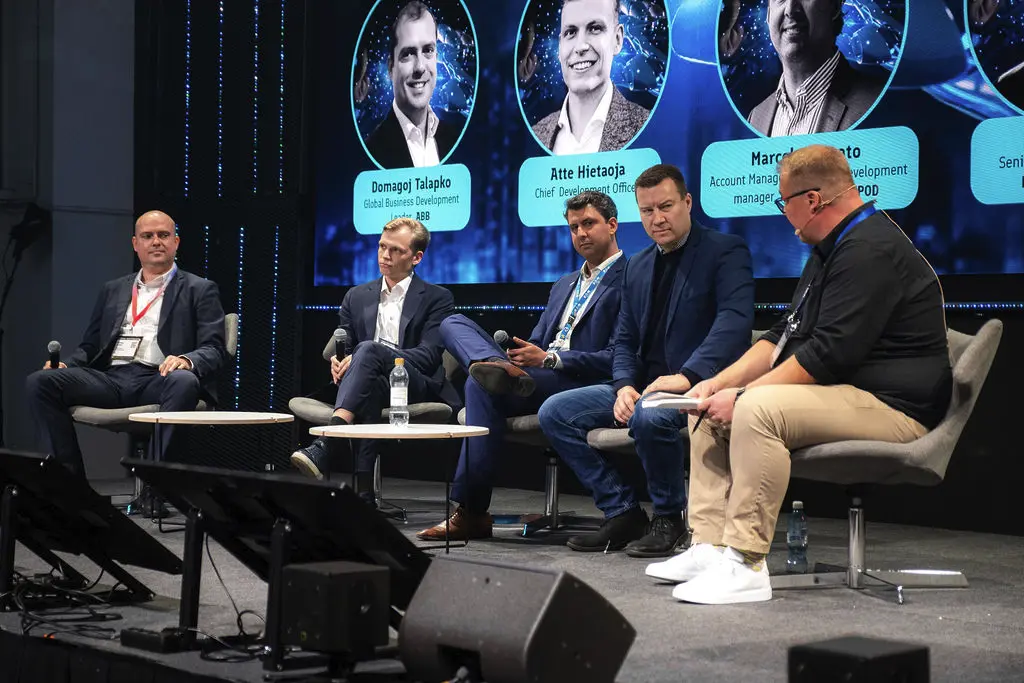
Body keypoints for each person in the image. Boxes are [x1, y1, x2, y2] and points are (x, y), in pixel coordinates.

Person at [653, 144, 952, 605]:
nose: (784, 213)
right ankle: (709, 548)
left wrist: (743, 395)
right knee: (707, 408)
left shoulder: (869, 249)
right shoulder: (829, 248)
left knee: (755, 409)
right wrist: (717, 384)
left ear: (812, 200)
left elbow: (826, 355)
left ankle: (746, 563)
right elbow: (783, 334)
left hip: (895, 408)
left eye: (784, 201)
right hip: (850, 393)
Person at [537, 164, 754, 558]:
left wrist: (687, 376)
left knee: (650, 414)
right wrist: (623, 385)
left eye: (666, 207)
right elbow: (625, 339)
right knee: (555, 412)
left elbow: (733, 325)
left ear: (687, 202)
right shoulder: (637, 265)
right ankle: (622, 510)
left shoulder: (724, 251)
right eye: (647, 210)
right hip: (644, 386)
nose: (657, 218)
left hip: (701, 385)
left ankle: (669, 518)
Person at [417, 191, 627, 541]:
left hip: (579, 380)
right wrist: (520, 354)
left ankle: (471, 512)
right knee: (452, 324)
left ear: (613, 225)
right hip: (535, 375)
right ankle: (495, 365)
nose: (581, 233)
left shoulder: (631, 277)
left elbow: (619, 355)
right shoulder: (564, 284)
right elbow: (538, 339)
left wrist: (550, 359)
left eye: (589, 224)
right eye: (574, 227)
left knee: (478, 384)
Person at [25, 211, 227, 481]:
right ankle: (70, 487)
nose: (156, 241)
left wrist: (186, 360)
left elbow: (214, 348)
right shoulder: (114, 289)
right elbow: (90, 345)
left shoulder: (199, 289)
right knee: (41, 382)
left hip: (159, 378)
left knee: (185, 381)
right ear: (135, 244)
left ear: (176, 242)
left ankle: (154, 484)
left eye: (163, 235)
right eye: (147, 236)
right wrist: (66, 365)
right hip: (112, 379)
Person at [291, 217, 457, 503]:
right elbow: (345, 344)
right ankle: (363, 496)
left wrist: (375, 354)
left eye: (396, 250)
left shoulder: (437, 298)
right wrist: (339, 362)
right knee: (372, 384)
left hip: (414, 382)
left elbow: (429, 356)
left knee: (369, 350)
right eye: (382, 246)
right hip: (369, 383)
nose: (385, 255)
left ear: (416, 257)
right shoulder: (356, 296)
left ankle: (327, 443)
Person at [747, 0, 885, 137]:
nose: (790, 10)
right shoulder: (756, 118)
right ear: (769, 15)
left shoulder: (876, 105)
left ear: (835, 7)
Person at [532, 0, 650, 155]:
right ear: (560, 46)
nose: (580, 47)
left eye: (595, 29)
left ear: (617, 39)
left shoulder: (646, 127)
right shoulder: (536, 135)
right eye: (570, 32)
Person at [365, 1, 460, 169]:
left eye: (428, 50)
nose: (420, 67)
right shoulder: (372, 150)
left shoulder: (455, 139)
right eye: (408, 54)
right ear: (391, 67)